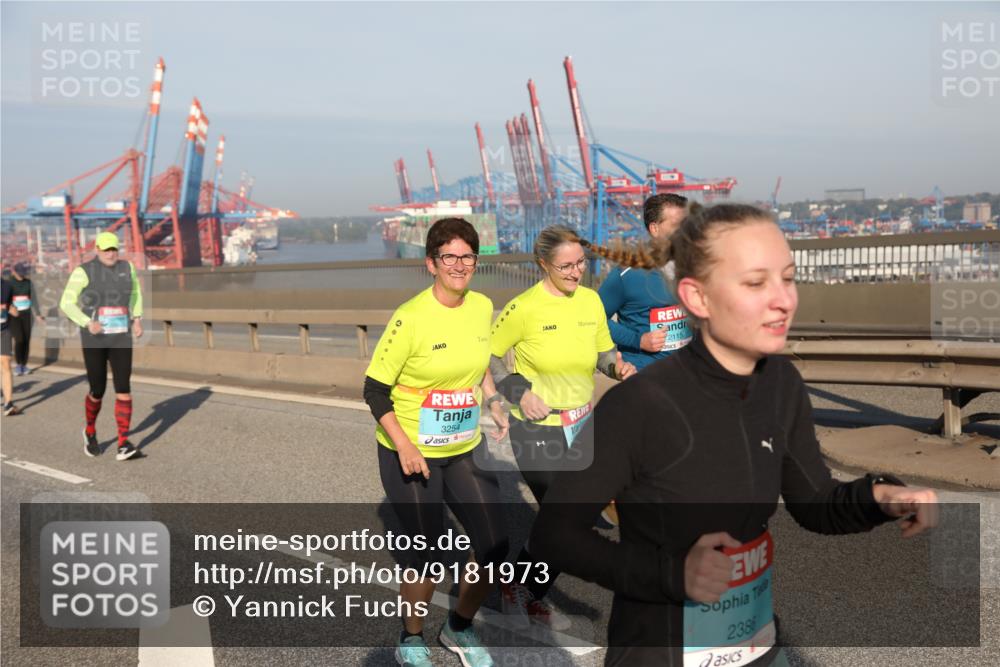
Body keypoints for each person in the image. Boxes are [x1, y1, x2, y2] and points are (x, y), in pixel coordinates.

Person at [529, 203, 939, 666]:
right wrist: (672, 575)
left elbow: (814, 502)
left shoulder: (780, 383)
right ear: (697, 297)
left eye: (788, 278)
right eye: (756, 283)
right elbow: (554, 535)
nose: (784, 300)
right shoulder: (638, 405)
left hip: (755, 645)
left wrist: (880, 496)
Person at [363, 217, 509, 667]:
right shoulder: (411, 317)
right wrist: (405, 446)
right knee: (427, 555)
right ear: (431, 263)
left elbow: (479, 362)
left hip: (462, 445)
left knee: (494, 546)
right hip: (410, 450)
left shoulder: (482, 306)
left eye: (467, 256)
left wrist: (493, 399)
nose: (459, 265)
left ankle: (458, 628)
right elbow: (374, 390)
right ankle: (411, 638)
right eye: (449, 257)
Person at [488, 224, 636, 630]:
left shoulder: (590, 301)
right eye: (566, 266)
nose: (576, 272)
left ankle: (524, 590)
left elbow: (603, 354)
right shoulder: (524, 307)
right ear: (543, 265)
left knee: (570, 520)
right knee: (564, 517)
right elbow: (490, 356)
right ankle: (519, 590)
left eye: (582, 263)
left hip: (581, 425)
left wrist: (617, 368)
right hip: (537, 430)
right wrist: (519, 393)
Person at [59, 232, 144, 461]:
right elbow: (66, 303)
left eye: (113, 249)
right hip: (94, 337)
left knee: (123, 388)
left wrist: (137, 318)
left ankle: (123, 443)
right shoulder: (83, 271)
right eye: (106, 249)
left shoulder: (127, 267)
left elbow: (135, 293)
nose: (110, 253)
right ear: (97, 249)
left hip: (120, 335)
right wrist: (87, 322)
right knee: (98, 390)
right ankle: (90, 431)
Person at [598, 193, 692, 372]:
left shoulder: (694, 267)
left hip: (688, 375)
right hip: (645, 377)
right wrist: (638, 340)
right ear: (654, 229)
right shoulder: (627, 274)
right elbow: (594, 319)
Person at [8, 262, 44, 376]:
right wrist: (10, 308)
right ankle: (18, 365)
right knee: (19, 339)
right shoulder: (9, 283)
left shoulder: (28, 283)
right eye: (20, 273)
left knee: (26, 340)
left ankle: (24, 364)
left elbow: (34, 299)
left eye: (23, 273)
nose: (22, 275)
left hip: (27, 314)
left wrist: (38, 314)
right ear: (14, 272)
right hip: (14, 316)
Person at [1, 277, 21, 416]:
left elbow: (11, 307)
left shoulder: (7, 286)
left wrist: (12, 309)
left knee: (6, 363)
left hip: (3, 330)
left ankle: (8, 403)